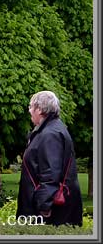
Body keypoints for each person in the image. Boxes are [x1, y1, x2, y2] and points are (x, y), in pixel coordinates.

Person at [17, 91, 83, 226]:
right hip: (49, 207)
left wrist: (44, 206)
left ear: (40, 109)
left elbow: (51, 173)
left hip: (49, 212)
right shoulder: (50, 129)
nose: (29, 110)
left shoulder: (50, 134)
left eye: (30, 106)